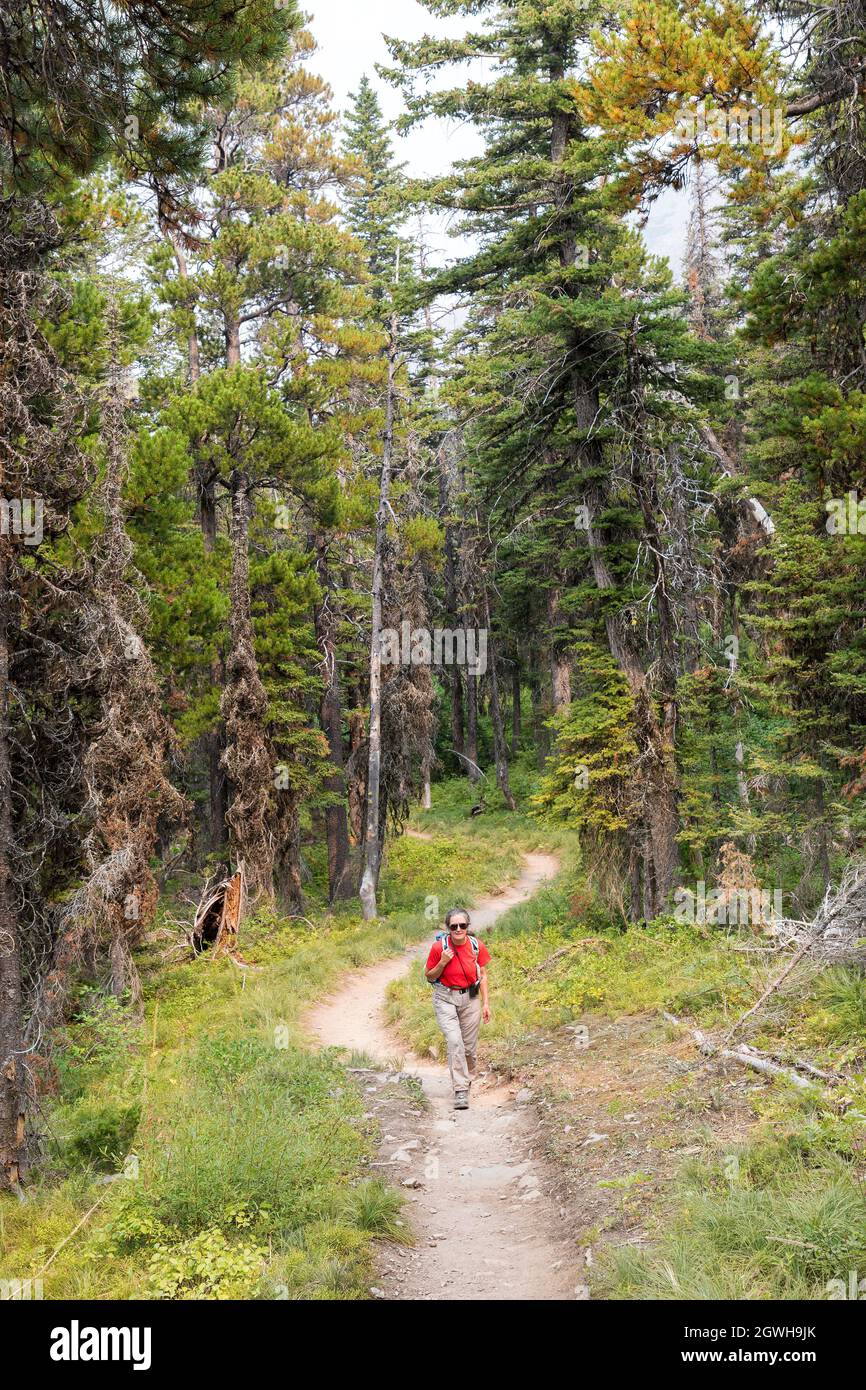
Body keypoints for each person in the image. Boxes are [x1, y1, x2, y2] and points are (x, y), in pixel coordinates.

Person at [425, 907, 491, 1110]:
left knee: (469, 1048)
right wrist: (443, 962)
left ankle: (467, 1078)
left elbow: (483, 975)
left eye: (462, 925)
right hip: (445, 997)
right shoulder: (439, 948)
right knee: (455, 1042)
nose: (458, 929)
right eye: (454, 926)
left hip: (470, 997)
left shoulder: (476, 945)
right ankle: (460, 1089)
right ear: (448, 928)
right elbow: (429, 976)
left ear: (467, 926)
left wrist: (486, 1002)